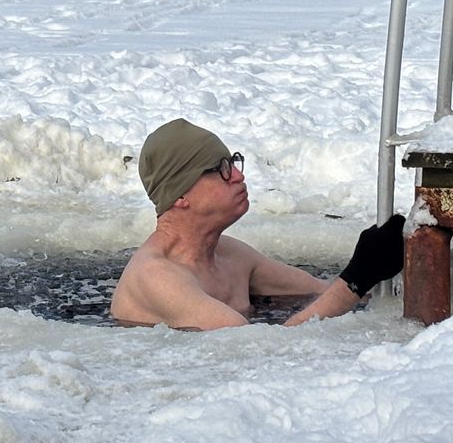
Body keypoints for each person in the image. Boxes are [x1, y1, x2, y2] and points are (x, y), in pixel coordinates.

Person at [110, 119, 405, 330]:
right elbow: (258, 350)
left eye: (234, 163)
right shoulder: (157, 277)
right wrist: (357, 278)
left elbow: (321, 292)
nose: (238, 176)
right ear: (181, 194)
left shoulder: (231, 255)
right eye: (222, 170)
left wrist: (387, 265)